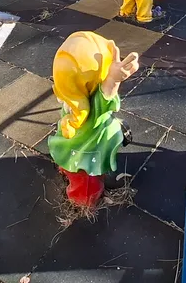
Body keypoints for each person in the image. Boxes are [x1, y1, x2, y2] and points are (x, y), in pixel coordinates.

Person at [48, 31, 139, 207]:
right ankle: (84, 203)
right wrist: (113, 79)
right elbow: (105, 95)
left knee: (70, 165)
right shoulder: (93, 110)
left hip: (68, 149)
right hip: (86, 159)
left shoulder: (71, 100)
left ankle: (65, 168)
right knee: (87, 188)